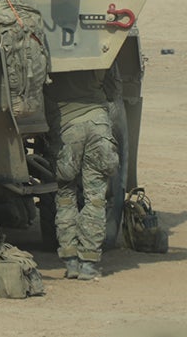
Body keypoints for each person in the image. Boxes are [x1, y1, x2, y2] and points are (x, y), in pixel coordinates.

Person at [44, 69, 119, 280]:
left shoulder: (49, 54)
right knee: (95, 198)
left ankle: (71, 262)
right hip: (98, 125)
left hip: (67, 129)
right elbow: (113, 90)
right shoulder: (98, 52)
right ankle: (88, 263)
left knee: (65, 196)